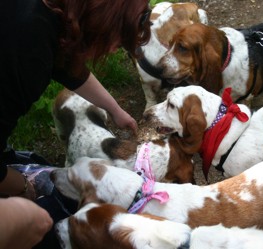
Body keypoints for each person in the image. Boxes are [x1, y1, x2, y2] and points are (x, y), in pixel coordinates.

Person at [0, 0, 152, 247]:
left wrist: (114, 110)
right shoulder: (27, 47)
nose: (114, 50)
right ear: (103, 20)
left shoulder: (52, 15)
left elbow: (67, 66)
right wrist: (23, 187)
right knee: (47, 218)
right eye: (118, 39)